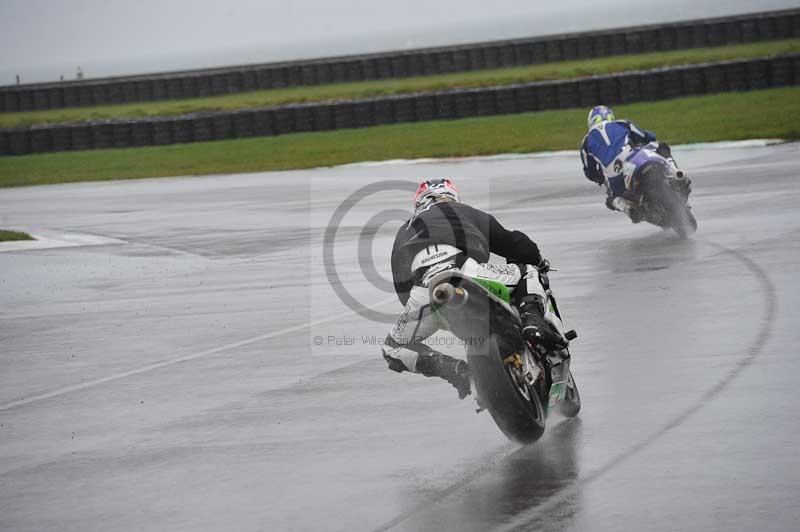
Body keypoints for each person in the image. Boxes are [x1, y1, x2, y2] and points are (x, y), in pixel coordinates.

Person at [381, 178, 568, 399]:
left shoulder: (405, 230)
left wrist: (420, 310)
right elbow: (513, 242)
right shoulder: (459, 210)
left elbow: (401, 285)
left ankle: (452, 369)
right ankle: (533, 322)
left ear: (419, 202)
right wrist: (537, 260)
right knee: (528, 271)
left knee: (391, 348)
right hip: (465, 270)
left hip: (425, 291)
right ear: (451, 196)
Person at [580, 105, 678, 223]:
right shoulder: (622, 123)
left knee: (611, 199)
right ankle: (676, 173)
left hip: (615, 178)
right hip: (634, 159)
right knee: (662, 147)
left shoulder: (585, 142)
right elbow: (648, 136)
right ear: (611, 116)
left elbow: (590, 172)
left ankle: (628, 208)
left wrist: (600, 178)